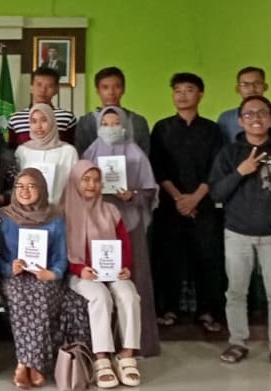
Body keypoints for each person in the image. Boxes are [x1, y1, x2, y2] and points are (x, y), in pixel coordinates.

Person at [211, 95, 271, 370]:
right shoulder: (229, 153)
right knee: (236, 291)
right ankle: (237, 342)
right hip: (237, 233)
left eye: (262, 113)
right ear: (240, 120)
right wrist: (240, 172)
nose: (256, 118)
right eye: (249, 114)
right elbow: (216, 192)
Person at [0, 169, 91, 389]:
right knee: (20, 297)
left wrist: (54, 273)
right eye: (20, 186)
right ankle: (31, 364)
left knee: (40, 295)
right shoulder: (3, 217)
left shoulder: (55, 217)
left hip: (45, 275)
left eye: (31, 186)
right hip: (14, 277)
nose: (25, 191)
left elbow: (61, 255)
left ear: (42, 189)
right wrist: (9, 267)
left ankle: (26, 364)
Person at [149, 73, 226, 333]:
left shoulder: (213, 130)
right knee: (168, 256)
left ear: (200, 94)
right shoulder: (162, 128)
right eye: (178, 90)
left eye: (189, 90)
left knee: (207, 257)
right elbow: (157, 167)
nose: (182, 95)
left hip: (203, 204)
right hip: (170, 204)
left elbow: (217, 168)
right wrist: (179, 198)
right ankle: (168, 308)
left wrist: (194, 198)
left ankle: (207, 311)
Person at [82, 107, 161, 357]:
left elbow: (149, 191)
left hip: (129, 224)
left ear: (125, 126)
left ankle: (135, 345)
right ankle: (102, 346)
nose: (110, 128)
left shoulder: (136, 154)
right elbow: (79, 186)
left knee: (132, 281)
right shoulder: (90, 153)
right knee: (98, 281)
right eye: (105, 123)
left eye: (115, 123)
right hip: (97, 225)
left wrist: (132, 196)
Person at [63, 161, 143, 388]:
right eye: (86, 179)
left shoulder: (111, 210)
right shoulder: (64, 211)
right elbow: (59, 250)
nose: (92, 185)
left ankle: (127, 355)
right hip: (80, 274)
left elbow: (124, 244)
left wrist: (125, 267)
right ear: (75, 182)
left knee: (129, 295)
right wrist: (79, 269)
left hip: (112, 271)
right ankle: (102, 357)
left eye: (97, 180)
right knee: (100, 296)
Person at [74, 68, 152, 154]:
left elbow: (144, 155)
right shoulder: (86, 123)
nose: (111, 92)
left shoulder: (138, 122)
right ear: (97, 91)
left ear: (123, 89)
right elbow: (81, 155)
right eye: (105, 87)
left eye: (117, 87)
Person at [14, 104, 79, 205]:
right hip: (28, 209)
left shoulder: (68, 151)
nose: (39, 126)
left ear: (52, 121)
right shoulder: (22, 151)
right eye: (34, 121)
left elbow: (74, 185)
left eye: (44, 120)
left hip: (59, 210)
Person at [216, 67, 271, 143]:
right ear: (237, 89)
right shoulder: (226, 118)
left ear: (265, 87)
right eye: (245, 84)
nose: (252, 89)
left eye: (257, 84)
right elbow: (222, 149)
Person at [8, 68, 76, 147]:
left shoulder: (67, 118)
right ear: (31, 87)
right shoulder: (15, 119)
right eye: (39, 85)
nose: (43, 90)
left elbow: (73, 147)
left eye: (49, 86)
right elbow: (11, 150)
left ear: (56, 90)